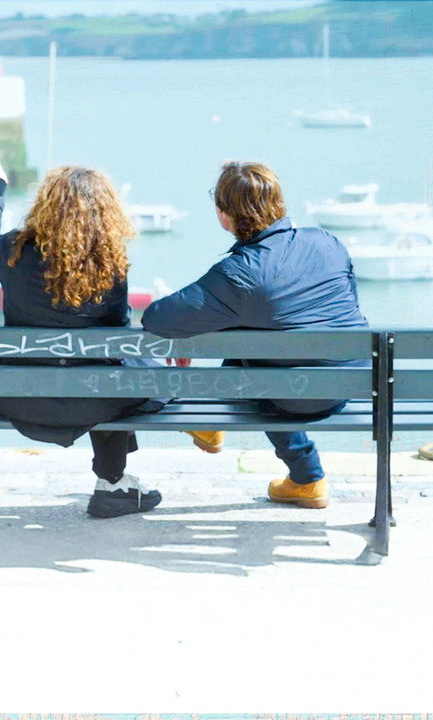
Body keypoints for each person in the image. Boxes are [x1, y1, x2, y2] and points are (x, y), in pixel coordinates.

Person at [141, 160, 369, 510]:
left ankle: (303, 474)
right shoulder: (327, 242)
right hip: (351, 380)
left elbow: (158, 318)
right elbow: (349, 306)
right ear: (279, 202)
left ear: (223, 216)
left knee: (264, 364)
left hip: (294, 396)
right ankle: (305, 480)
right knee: (259, 333)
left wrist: (197, 330)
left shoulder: (238, 274)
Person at [0, 151, 171, 518]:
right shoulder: (111, 263)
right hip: (96, 399)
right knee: (116, 373)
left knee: (105, 373)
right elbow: (119, 333)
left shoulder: (11, 252)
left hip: (20, 398)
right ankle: (112, 482)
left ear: (46, 205)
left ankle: (114, 482)